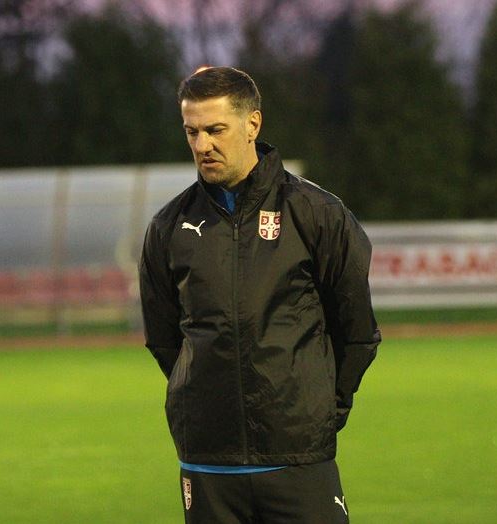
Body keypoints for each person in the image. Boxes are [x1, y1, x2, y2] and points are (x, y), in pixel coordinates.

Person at [138, 66, 380, 523]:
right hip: (207, 458)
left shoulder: (317, 214)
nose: (201, 145)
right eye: (191, 132)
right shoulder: (169, 226)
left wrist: (318, 410)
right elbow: (164, 338)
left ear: (252, 124)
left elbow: (357, 332)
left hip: (297, 456)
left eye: (215, 130)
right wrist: (206, 394)